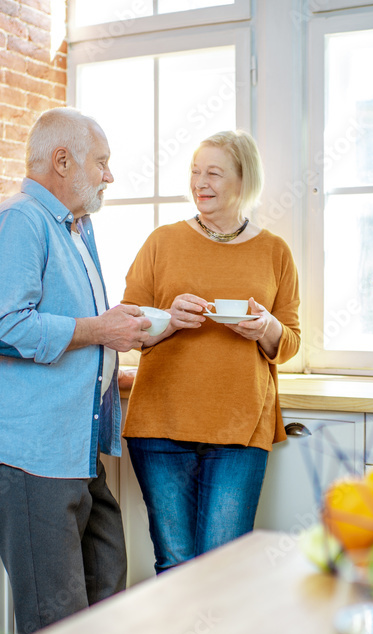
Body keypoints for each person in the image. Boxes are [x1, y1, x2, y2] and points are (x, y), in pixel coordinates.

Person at [0, 108, 151, 634]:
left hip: (73, 449)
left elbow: (70, 325)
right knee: (53, 626)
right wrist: (102, 335)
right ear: (62, 161)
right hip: (28, 455)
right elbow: (1, 326)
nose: (109, 175)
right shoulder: (18, 221)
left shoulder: (74, 229)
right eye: (102, 163)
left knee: (107, 599)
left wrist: (106, 368)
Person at [121, 130, 301, 574]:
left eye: (214, 173)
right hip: (161, 423)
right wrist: (167, 318)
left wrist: (266, 328)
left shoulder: (274, 251)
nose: (200, 182)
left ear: (243, 181)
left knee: (223, 569)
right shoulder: (161, 242)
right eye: (195, 172)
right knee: (176, 564)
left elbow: (290, 340)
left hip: (240, 426)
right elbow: (127, 326)